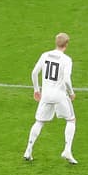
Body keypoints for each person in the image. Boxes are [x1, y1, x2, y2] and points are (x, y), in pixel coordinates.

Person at [24, 33, 78, 164]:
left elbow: (34, 73)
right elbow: (66, 80)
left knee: (39, 122)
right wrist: (71, 93)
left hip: (46, 94)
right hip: (60, 95)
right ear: (66, 44)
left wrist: (36, 90)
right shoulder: (66, 59)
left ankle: (28, 150)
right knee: (71, 120)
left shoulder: (45, 55)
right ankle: (67, 150)